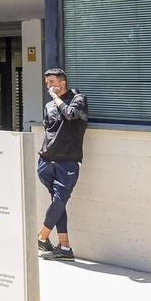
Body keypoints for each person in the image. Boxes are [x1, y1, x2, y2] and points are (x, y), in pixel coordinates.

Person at [35, 68, 88, 261]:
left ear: (63, 82)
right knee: (59, 203)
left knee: (59, 201)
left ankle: (42, 236)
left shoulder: (78, 99)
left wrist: (57, 99)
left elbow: (71, 115)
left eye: (52, 82)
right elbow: (48, 130)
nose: (49, 86)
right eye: (47, 83)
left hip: (68, 162)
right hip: (46, 161)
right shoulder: (48, 106)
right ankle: (64, 247)